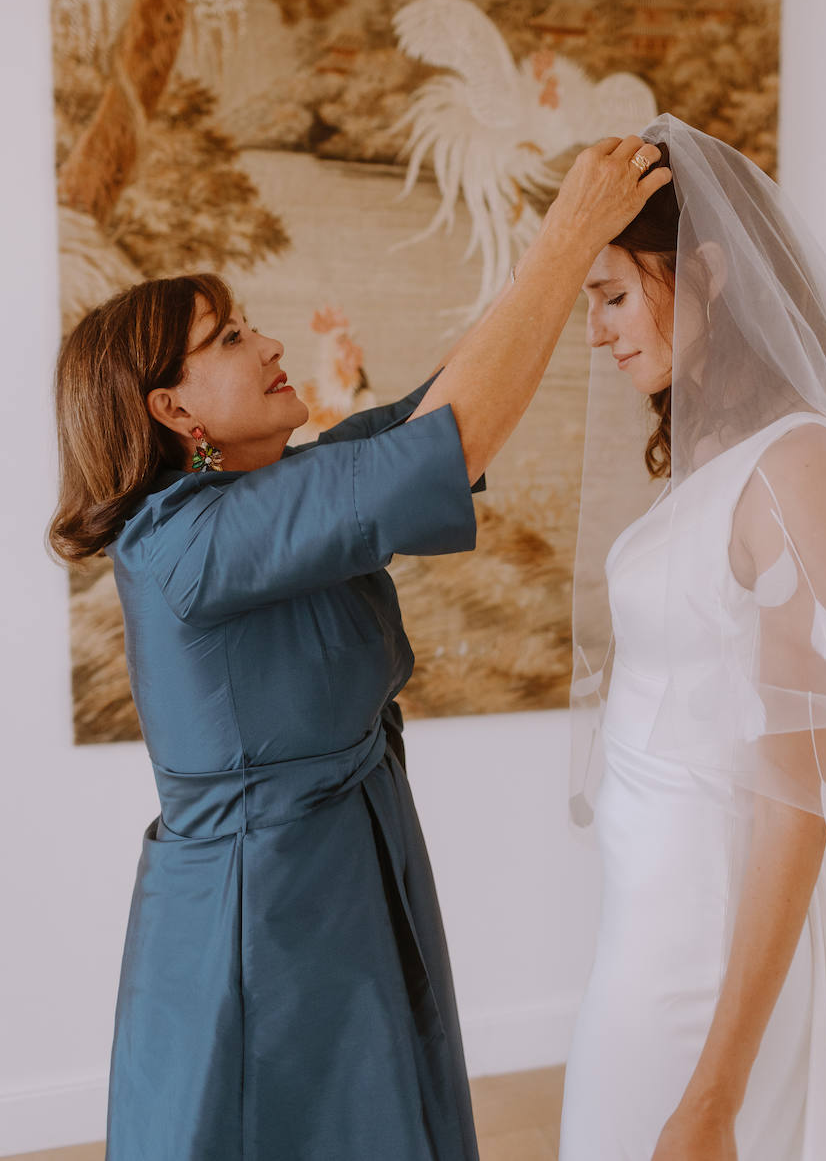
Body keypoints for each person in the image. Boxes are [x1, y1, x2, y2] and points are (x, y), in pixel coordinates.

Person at [48, 136, 670, 1161]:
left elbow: (436, 412)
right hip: (262, 915)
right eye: (232, 337)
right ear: (173, 409)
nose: (267, 344)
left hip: (339, 864)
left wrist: (558, 259)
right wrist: (565, 241)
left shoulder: (270, 495)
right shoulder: (185, 538)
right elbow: (451, 439)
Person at [560, 114, 826, 1160]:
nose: (596, 332)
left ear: (706, 272)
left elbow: (793, 792)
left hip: (712, 948)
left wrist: (715, 1089)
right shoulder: (714, 456)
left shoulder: (800, 464)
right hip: (650, 921)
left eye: (614, 295)